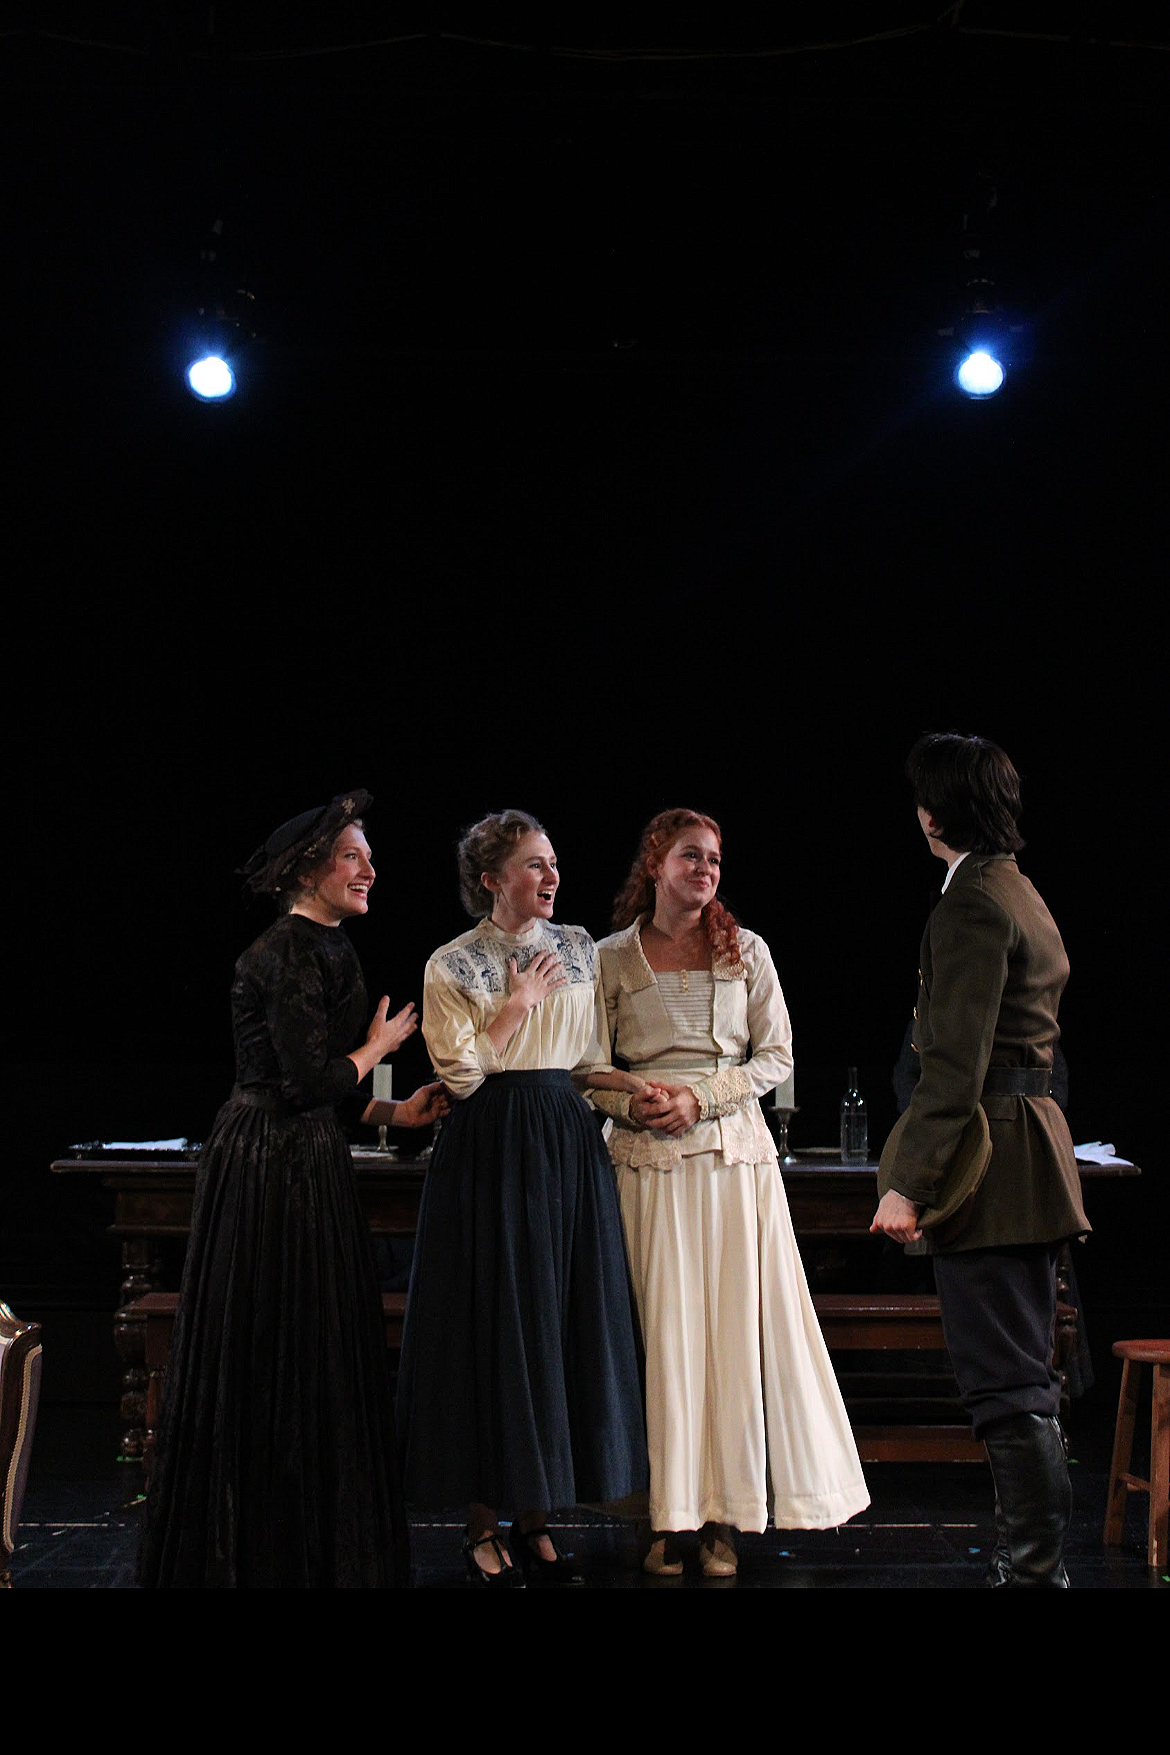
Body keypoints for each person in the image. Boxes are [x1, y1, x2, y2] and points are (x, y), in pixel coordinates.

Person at [139, 791, 447, 1588]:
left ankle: (315, 1544)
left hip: (309, 1156)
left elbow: (323, 1084)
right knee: (270, 1344)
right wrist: (378, 1044)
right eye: (352, 856)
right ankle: (252, 1548)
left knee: (319, 1353)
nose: (369, 869)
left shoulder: (333, 948)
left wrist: (393, 1108)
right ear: (308, 868)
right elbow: (307, 1077)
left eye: (367, 856)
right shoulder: (279, 952)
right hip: (267, 1164)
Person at [587, 809, 869, 1577]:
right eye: (690, 855)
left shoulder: (746, 952)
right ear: (655, 864)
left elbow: (775, 1054)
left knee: (727, 1339)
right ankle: (659, 1510)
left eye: (714, 858)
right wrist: (634, 1098)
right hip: (647, 1165)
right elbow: (585, 1064)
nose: (706, 868)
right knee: (659, 1335)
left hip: (729, 1164)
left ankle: (723, 1515)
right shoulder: (610, 957)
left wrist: (701, 1097)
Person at [396, 810, 648, 1586]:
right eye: (533, 865)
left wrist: (629, 1085)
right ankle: (482, 1522)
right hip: (492, 1146)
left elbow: (584, 1060)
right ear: (491, 879)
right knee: (494, 1323)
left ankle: (538, 1513)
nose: (551, 877)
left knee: (557, 1319)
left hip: (566, 1144)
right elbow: (463, 1075)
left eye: (554, 863)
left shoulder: (576, 946)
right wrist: (517, 1004)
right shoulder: (454, 963)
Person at [870, 735, 1090, 1588]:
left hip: (991, 1164)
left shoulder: (968, 904)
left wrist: (907, 1182)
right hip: (1029, 1148)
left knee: (1004, 1379)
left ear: (934, 814)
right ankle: (1031, 1562)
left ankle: (1034, 1570)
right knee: (1022, 1372)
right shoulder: (1017, 889)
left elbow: (952, 1066)